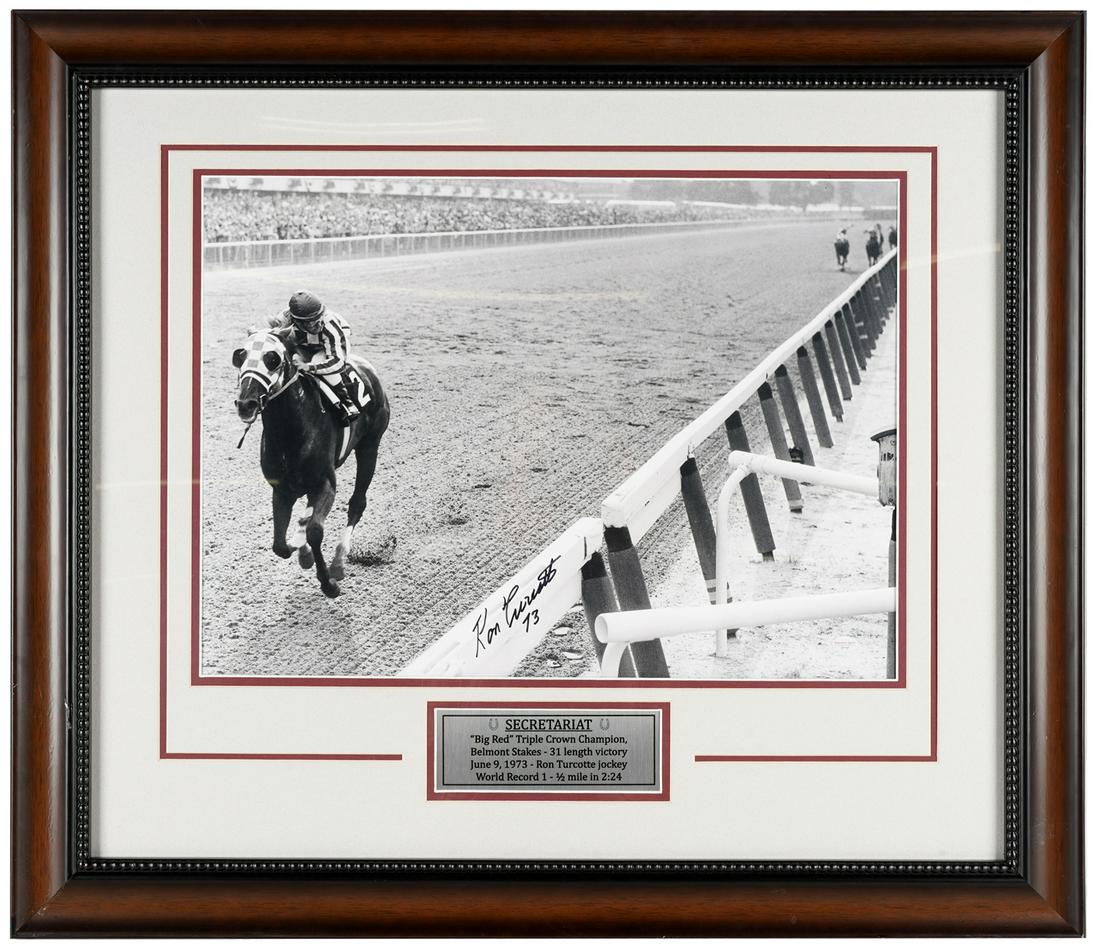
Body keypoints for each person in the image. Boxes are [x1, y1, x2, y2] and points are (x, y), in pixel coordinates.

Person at [264, 291, 360, 423]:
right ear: (298, 321)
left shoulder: (329, 324)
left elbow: (337, 362)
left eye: (319, 317)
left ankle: (347, 402)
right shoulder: (283, 321)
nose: (319, 324)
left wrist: (310, 367)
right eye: (312, 322)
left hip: (330, 345)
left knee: (317, 360)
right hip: (303, 344)